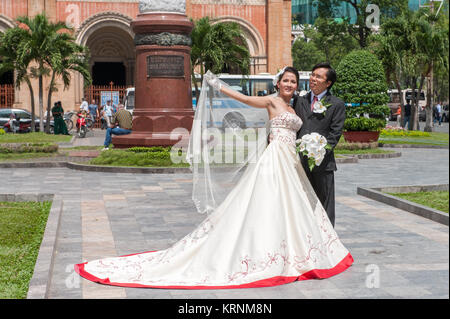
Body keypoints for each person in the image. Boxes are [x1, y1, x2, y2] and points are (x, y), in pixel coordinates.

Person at [75, 67, 353, 289]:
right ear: (278, 83)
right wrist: (217, 85)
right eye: (286, 81)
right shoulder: (270, 101)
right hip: (273, 160)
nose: (290, 85)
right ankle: (265, 253)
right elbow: (243, 99)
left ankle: (298, 252)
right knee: (267, 204)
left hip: (292, 161)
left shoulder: (299, 107)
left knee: (295, 207)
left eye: (294, 81)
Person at [294, 62, 345, 228]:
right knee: (301, 203)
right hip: (300, 164)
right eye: (312, 75)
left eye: (318, 76)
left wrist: (318, 152)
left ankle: (328, 242)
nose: (313, 79)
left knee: (324, 205)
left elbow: (334, 134)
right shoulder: (299, 101)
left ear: (328, 83)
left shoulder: (336, 104)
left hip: (323, 164)